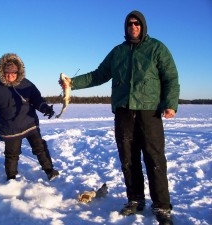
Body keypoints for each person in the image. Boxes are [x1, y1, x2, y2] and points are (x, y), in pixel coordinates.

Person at [59, 10, 179, 225]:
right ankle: (135, 200)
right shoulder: (118, 52)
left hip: (149, 111)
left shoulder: (156, 48)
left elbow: (170, 77)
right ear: (126, 27)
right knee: (128, 159)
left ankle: (161, 206)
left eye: (137, 23)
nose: (133, 26)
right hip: (124, 111)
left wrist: (170, 103)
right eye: (129, 24)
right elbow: (98, 75)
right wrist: (73, 83)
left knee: (155, 159)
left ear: (143, 26)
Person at [0, 53, 59, 181]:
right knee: (12, 154)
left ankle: (49, 170)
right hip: (10, 127)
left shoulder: (27, 84)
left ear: (18, 72)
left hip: (29, 123)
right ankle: (11, 177)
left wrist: (45, 108)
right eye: (7, 73)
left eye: (13, 73)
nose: (10, 76)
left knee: (40, 147)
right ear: (2, 72)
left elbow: (37, 99)